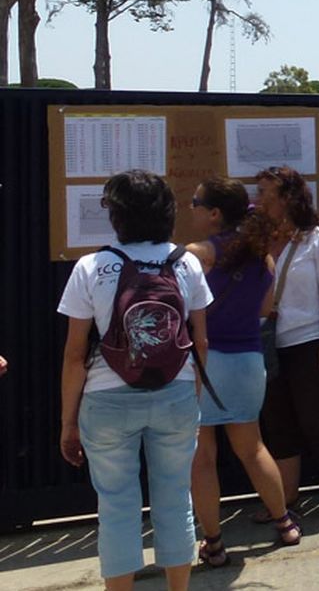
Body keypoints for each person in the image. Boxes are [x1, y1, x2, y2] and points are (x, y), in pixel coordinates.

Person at [57, 170, 212, 591]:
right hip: (175, 393)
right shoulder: (187, 263)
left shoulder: (92, 267)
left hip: (106, 399)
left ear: (117, 215)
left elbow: (74, 355)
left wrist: (68, 422)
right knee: (175, 499)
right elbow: (200, 342)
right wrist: (191, 400)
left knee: (117, 507)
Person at [186, 179, 300, 566]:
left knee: (203, 456)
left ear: (215, 213)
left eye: (196, 203)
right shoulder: (263, 256)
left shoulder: (197, 254)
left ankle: (214, 543)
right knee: (253, 448)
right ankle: (285, 523)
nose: (192, 209)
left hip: (207, 363)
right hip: (249, 360)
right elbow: (265, 309)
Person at [253, 166, 319, 521]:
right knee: (277, 422)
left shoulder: (318, 239)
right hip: (268, 342)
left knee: (318, 420)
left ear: (287, 197)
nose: (259, 198)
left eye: (266, 192)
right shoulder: (260, 238)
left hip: (309, 339)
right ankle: (286, 500)